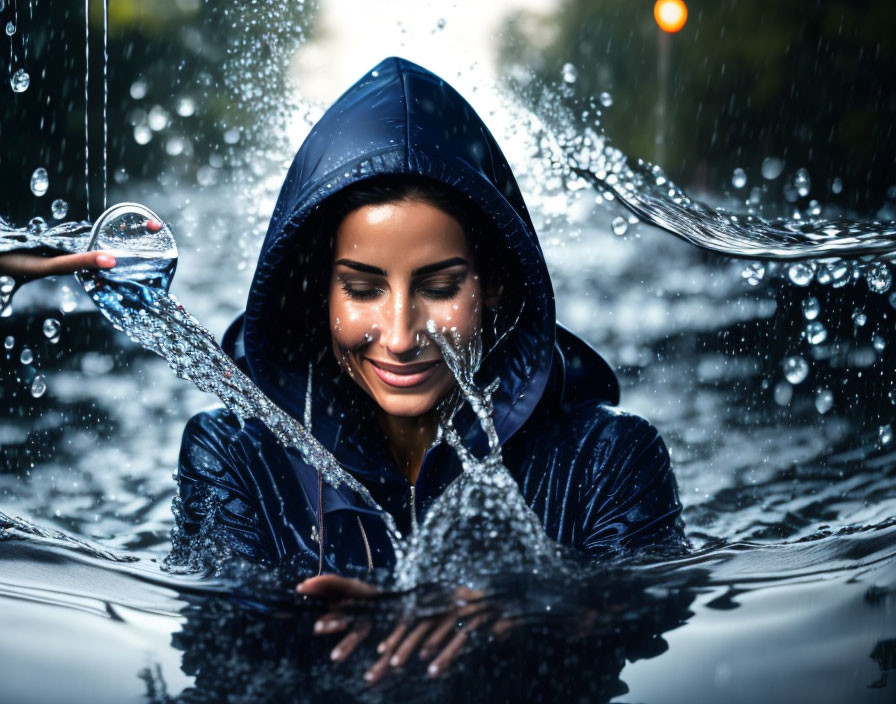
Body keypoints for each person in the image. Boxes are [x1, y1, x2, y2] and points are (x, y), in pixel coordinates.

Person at [0, 56, 686, 679]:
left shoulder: (609, 460)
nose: (398, 335)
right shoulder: (235, 458)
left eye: (440, 287)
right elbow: (218, 651)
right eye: (361, 288)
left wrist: (536, 611)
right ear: (319, 292)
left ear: (497, 284)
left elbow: (652, 611)